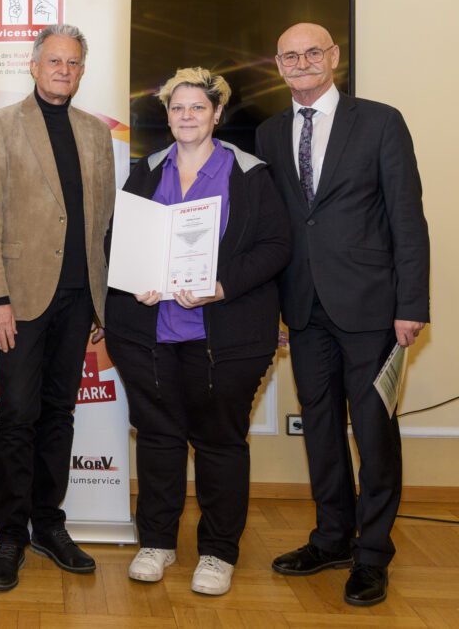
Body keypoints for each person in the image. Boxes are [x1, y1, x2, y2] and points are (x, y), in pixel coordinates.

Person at [256, 23, 430, 607]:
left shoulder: (380, 121)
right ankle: (332, 537)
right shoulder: (270, 132)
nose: (301, 62)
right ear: (277, 65)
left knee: (375, 433)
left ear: (334, 58)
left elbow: (408, 218)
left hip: (372, 308)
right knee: (321, 430)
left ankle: (374, 553)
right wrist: (272, 308)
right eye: (289, 56)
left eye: (312, 52)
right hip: (302, 309)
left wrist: (412, 305)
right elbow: (277, 228)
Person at [105, 68, 291, 596]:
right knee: (159, 438)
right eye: (177, 108)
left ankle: (217, 552)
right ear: (167, 116)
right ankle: (157, 543)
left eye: (197, 108)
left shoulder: (250, 173)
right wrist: (134, 276)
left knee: (219, 442)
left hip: (226, 337)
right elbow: (119, 239)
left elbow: (277, 247)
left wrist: (222, 286)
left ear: (216, 115)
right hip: (150, 332)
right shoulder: (146, 171)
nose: (186, 117)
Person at [0, 23, 116, 591]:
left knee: (61, 414)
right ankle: (10, 534)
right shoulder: (0, 125)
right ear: (33, 66)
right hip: (22, 300)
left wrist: (107, 304)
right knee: (16, 416)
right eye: (53, 60)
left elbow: (102, 223)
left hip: (81, 299)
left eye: (73, 63)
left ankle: (48, 524)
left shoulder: (95, 134)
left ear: (82, 71)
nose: (63, 70)